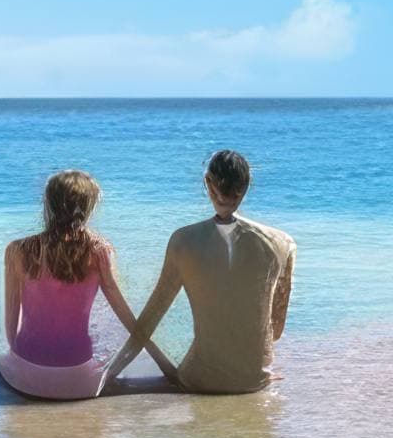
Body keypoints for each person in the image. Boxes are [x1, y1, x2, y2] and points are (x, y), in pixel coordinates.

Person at [116, 148, 294, 395]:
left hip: (200, 379)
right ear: (246, 186)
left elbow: (148, 322)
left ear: (207, 184)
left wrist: (110, 374)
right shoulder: (282, 243)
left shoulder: (183, 241)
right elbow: (276, 329)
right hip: (254, 381)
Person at [0, 168, 140, 400]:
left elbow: (11, 324)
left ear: (47, 204)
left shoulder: (16, 251)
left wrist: (19, 361)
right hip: (80, 379)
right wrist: (148, 346)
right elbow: (120, 310)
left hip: (27, 375)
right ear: (90, 207)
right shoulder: (100, 251)